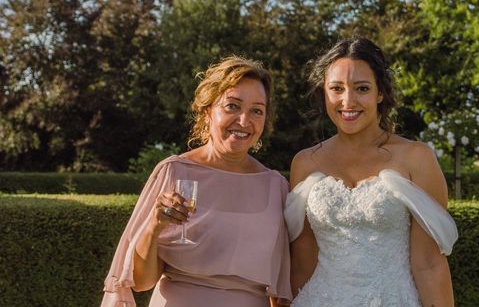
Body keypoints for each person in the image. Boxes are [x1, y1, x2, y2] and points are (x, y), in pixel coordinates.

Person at [102, 56, 292, 307]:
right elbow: (141, 281)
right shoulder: (174, 171)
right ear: (207, 112)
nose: (244, 121)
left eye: (256, 110)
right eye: (232, 106)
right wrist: (154, 224)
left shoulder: (275, 186)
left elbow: (280, 293)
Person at [285, 38, 458, 306]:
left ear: (380, 93)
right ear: (324, 93)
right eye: (336, 89)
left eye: (362, 88)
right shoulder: (305, 162)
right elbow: (302, 260)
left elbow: (429, 264)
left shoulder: (417, 157)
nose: (348, 101)